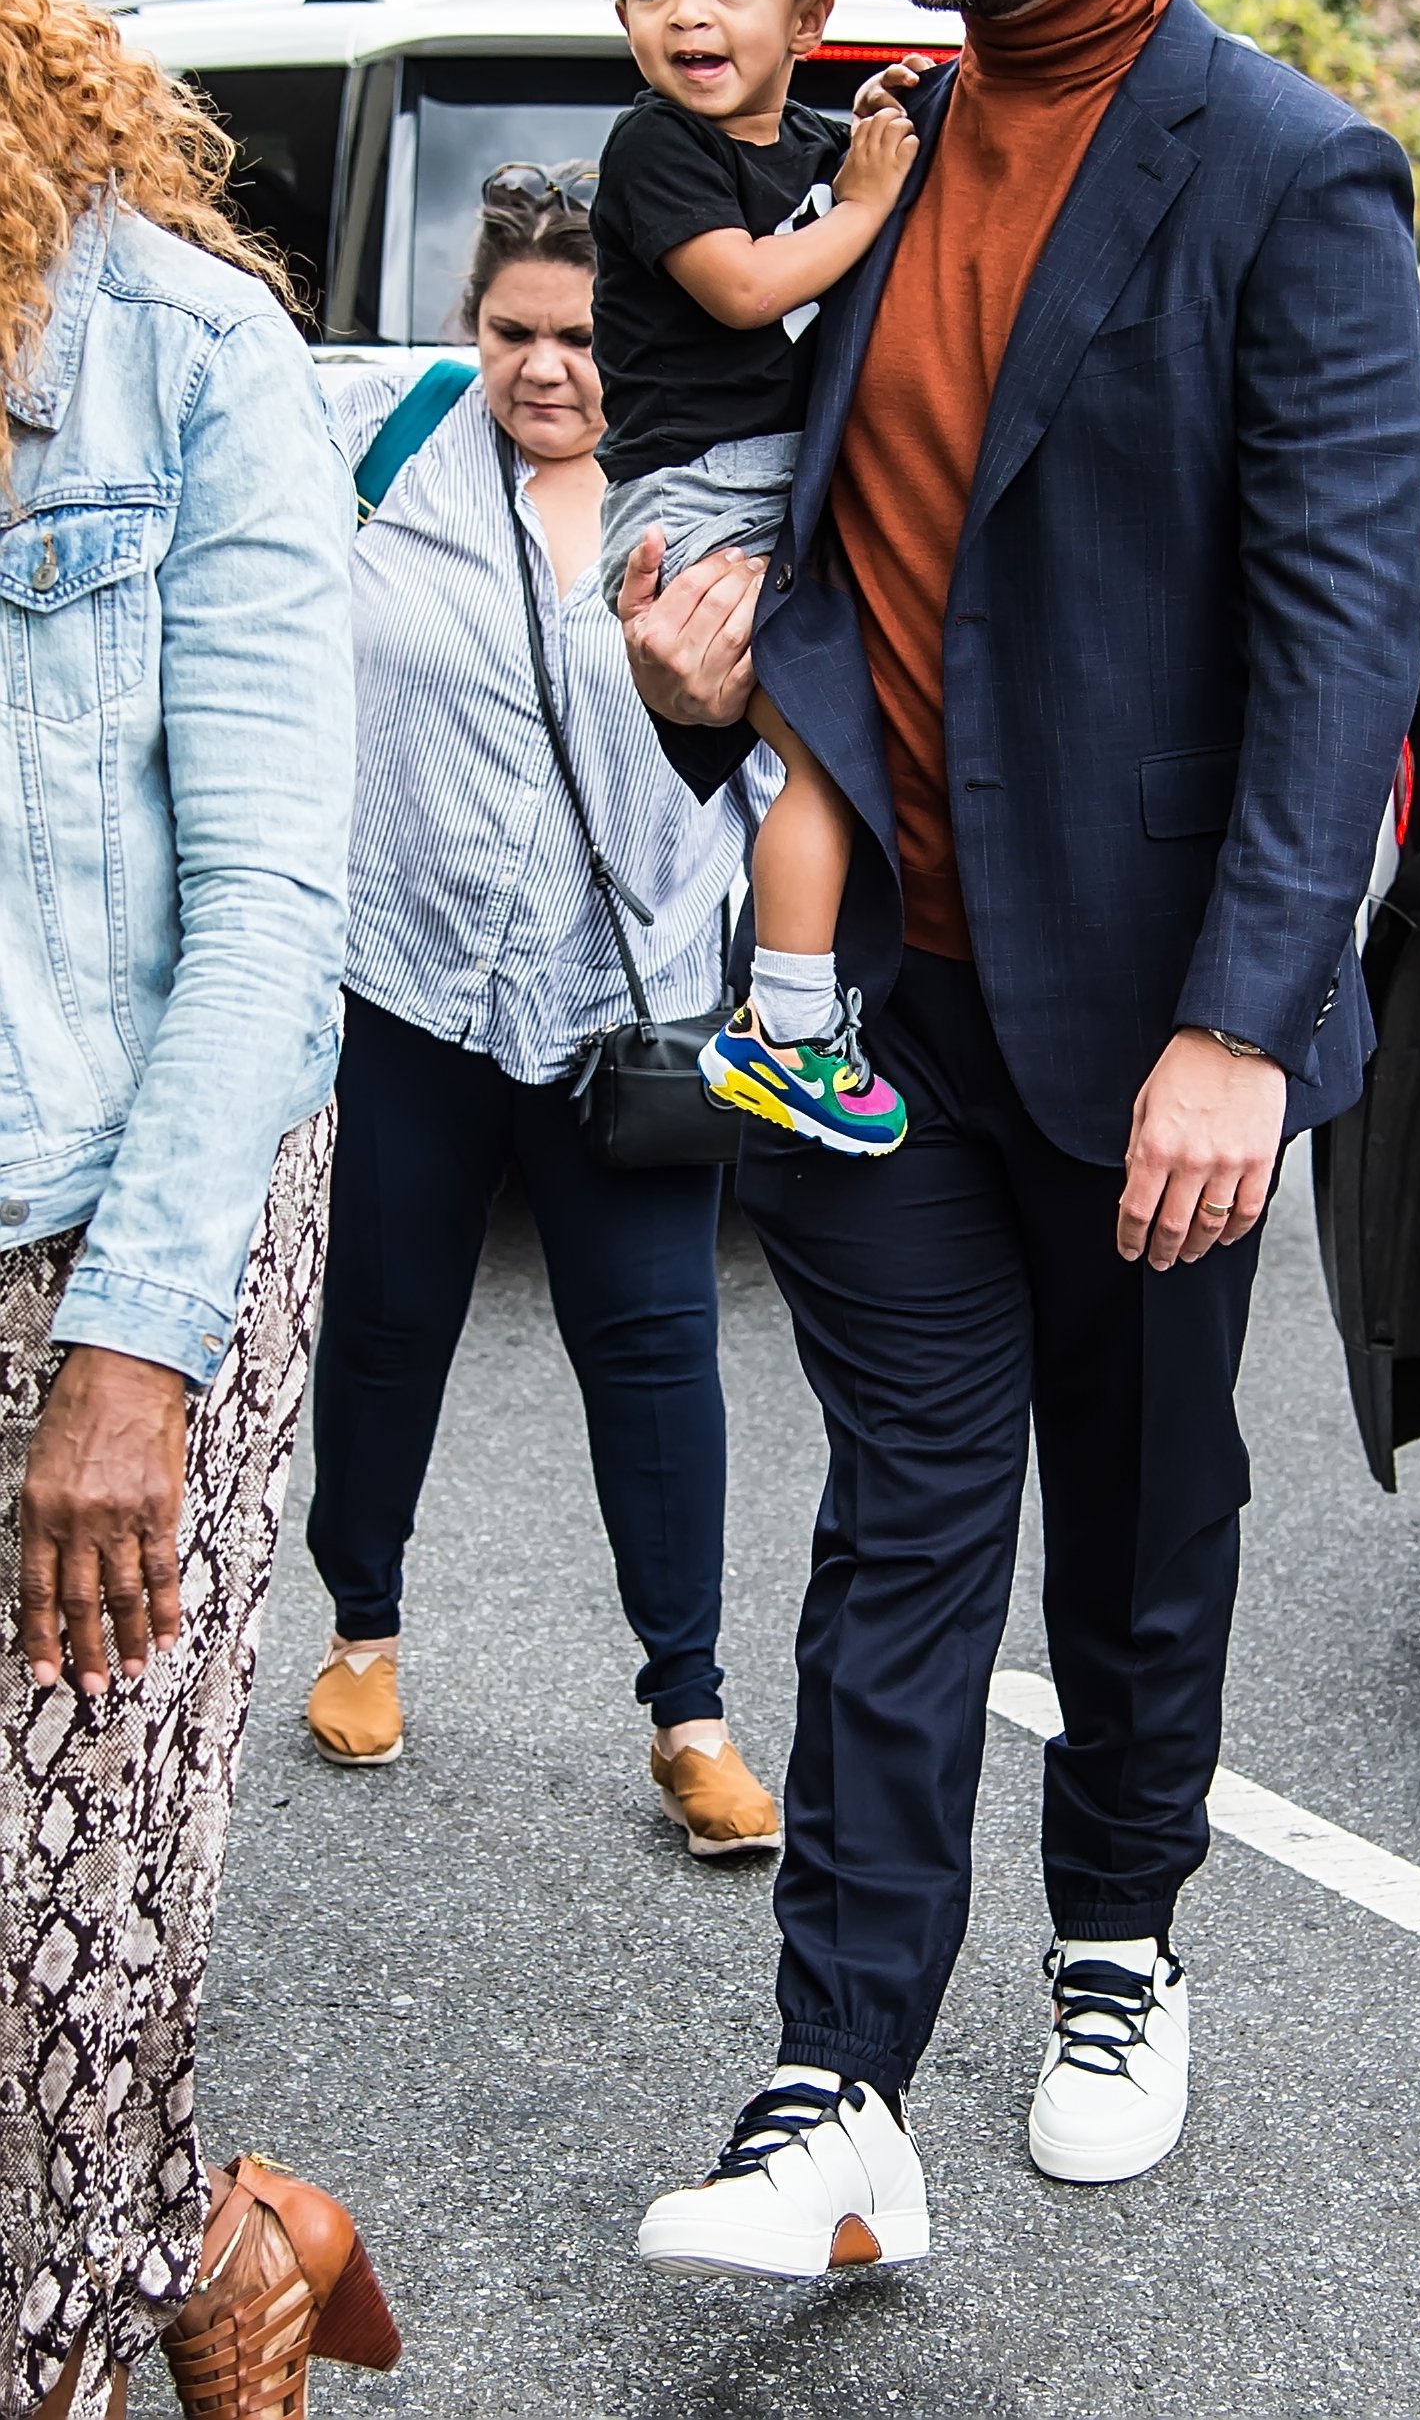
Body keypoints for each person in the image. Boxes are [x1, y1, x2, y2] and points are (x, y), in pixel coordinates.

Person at [619, 0, 1420, 2277]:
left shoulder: (1290, 170)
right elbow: (841, 567)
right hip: (881, 1011)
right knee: (908, 1516)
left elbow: (1340, 652)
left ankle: (1116, 1937)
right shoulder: (883, 149)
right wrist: (698, 680)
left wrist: (1244, 1020)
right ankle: (832, 2083)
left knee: (1145, 1518)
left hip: (1152, 1019)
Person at [0, 0, 398, 2416]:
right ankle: (219, 2246)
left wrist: (127, 1353)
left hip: (139, 1225)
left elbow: (266, 898)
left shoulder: (181, 357)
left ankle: (65, 2330)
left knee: (50, 1901)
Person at [303, 165, 782, 1862]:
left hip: (624, 1007)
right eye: (515, 331)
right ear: (470, 328)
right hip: (407, 976)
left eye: (582, 334)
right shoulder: (386, 436)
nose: (548, 368)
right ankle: (363, 1630)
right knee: (382, 1319)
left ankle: (693, 1716)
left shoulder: (724, 501)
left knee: (655, 1357)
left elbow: (791, 747)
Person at [583, 0, 918, 1158]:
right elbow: (741, 288)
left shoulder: (820, 151)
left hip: (768, 488)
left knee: (837, 753)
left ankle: (790, 1015)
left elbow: (870, 187)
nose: (690, 15)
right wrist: (866, 210)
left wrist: (892, 137)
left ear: (809, 22)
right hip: (696, 498)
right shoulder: (655, 146)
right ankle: (782, 1029)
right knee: (822, 764)